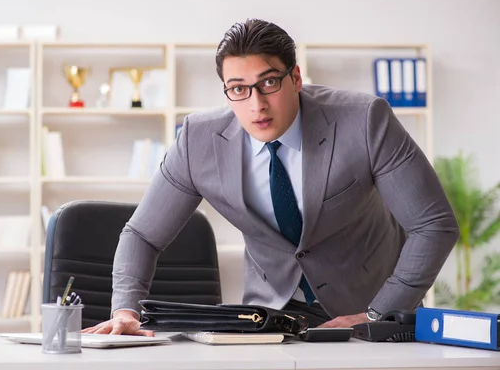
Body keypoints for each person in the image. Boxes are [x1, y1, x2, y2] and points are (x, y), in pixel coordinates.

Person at [82, 18, 459, 336]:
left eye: (269, 83)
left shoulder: (364, 121)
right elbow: (143, 234)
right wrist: (125, 311)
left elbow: (433, 225)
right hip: (269, 323)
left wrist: (378, 315)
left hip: (369, 313)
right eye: (239, 89)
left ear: (295, 77)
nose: (256, 104)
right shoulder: (198, 141)